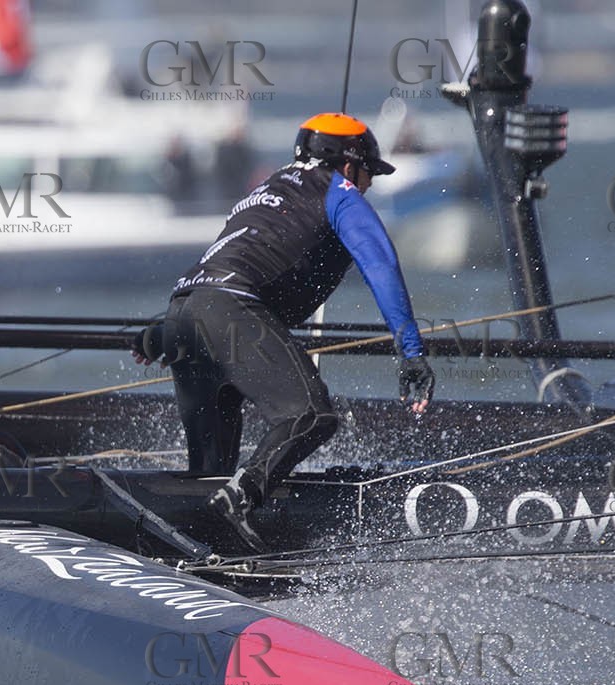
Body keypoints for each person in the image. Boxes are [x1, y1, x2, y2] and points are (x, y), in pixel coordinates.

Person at [146, 112, 435, 548]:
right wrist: (411, 352)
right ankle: (241, 500)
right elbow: (381, 265)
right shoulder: (339, 193)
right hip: (230, 310)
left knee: (208, 475)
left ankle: (207, 550)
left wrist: (158, 333)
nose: (369, 185)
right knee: (310, 416)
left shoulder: (267, 189)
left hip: (182, 312)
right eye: (368, 172)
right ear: (347, 163)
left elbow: (230, 257)